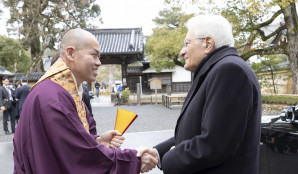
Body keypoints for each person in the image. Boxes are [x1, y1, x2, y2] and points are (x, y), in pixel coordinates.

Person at [13, 28, 157, 174]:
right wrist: (134, 159)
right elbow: (79, 156)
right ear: (70, 53)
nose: (99, 63)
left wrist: (98, 140)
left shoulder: (63, 90)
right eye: (94, 55)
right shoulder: (52, 97)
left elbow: (68, 142)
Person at [137, 14, 262, 174]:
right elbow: (196, 132)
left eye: (186, 43)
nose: (182, 52)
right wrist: (158, 153)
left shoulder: (229, 71)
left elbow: (215, 144)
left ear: (208, 43)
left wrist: (170, 158)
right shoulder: (216, 70)